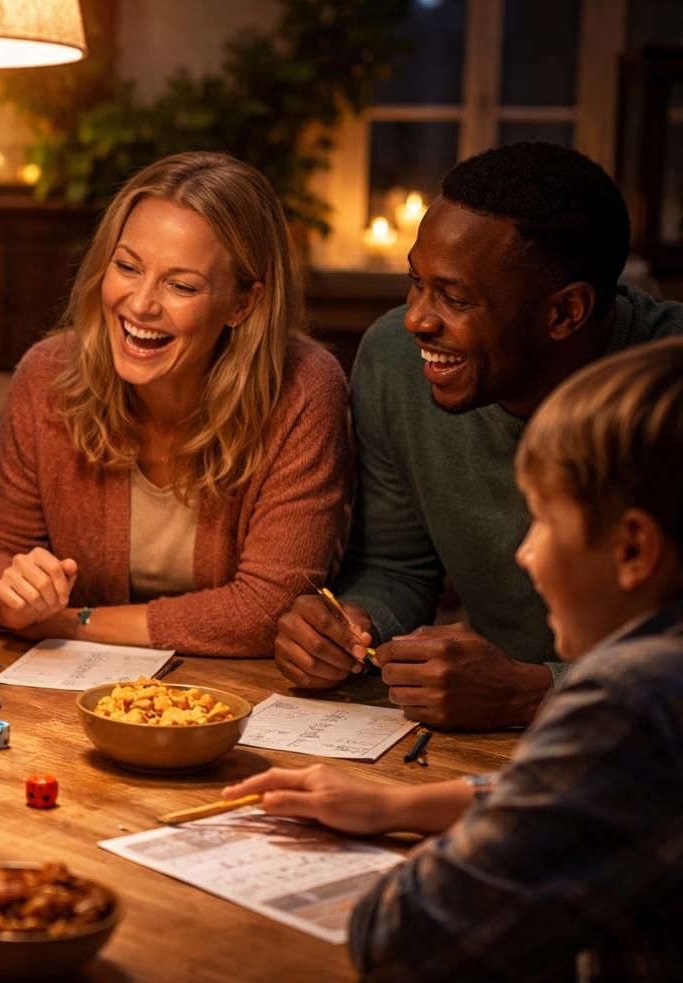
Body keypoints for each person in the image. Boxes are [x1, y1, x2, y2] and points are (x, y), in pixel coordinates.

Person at [225, 340, 683, 983]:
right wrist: (400, 807)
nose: (525, 557)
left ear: (635, 548)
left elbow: (401, 939)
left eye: (545, 523)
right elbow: (586, 792)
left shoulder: (631, 697)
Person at [274, 141, 683, 728]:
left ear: (566, 312)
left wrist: (538, 692)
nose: (417, 317)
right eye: (416, 283)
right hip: (483, 747)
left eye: (455, 298)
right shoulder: (396, 360)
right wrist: (350, 624)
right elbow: (397, 566)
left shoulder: (667, 390)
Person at [0, 152, 349, 655]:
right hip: (71, 693)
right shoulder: (47, 374)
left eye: (181, 285)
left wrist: (67, 622)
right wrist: (9, 600)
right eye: (127, 267)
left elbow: (268, 609)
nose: (141, 304)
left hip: (245, 698)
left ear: (243, 303)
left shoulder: (304, 389)